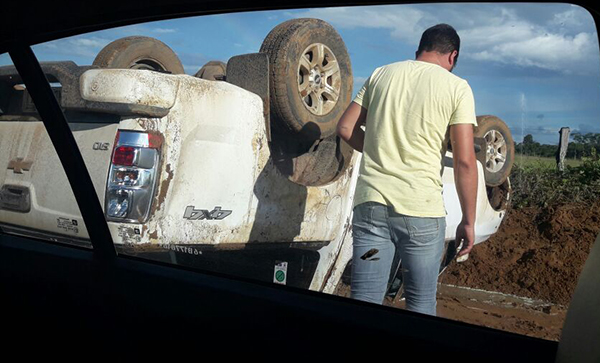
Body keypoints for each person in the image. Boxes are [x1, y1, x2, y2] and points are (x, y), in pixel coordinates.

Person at [336, 23, 478, 316]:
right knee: (420, 303)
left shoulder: (381, 74)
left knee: (364, 300)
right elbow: (465, 161)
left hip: (371, 210)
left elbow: (346, 127)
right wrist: (469, 220)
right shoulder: (457, 87)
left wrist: (379, 149)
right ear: (452, 56)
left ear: (419, 50)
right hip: (421, 215)